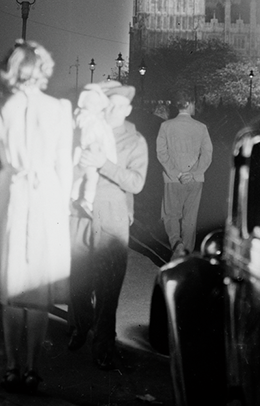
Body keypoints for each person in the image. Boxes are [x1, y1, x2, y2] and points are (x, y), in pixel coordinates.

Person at [0, 40, 73, 394]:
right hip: (48, 195)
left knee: (11, 283)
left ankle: (10, 368)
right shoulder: (61, 108)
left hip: (12, 194)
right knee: (37, 288)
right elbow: (64, 166)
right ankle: (33, 369)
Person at [67, 82, 148, 370]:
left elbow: (136, 183)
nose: (112, 110)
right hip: (79, 214)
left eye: (118, 106)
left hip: (111, 215)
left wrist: (104, 164)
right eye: (108, 104)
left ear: (127, 109)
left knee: (108, 285)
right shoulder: (84, 128)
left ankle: (103, 345)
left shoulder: (135, 141)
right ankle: (80, 324)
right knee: (77, 280)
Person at [156, 84, 212, 259]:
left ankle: (176, 243)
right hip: (195, 180)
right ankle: (185, 255)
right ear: (188, 104)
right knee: (190, 218)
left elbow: (161, 153)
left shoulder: (166, 126)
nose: (195, 107)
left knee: (170, 215)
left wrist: (175, 173)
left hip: (172, 179)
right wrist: (194, 173)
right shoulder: (201, 127)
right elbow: (207, 154)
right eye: (194, 104)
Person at [72, 83, 117, 214]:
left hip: (93, 151)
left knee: (90, 177)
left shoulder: (98, 119)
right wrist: (91, 144)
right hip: (88, 149)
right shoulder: (85, 116)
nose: (94, 106)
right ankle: (84, 199)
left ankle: (81, 198)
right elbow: (86, 134)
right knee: (89, 176)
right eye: (90, 103)